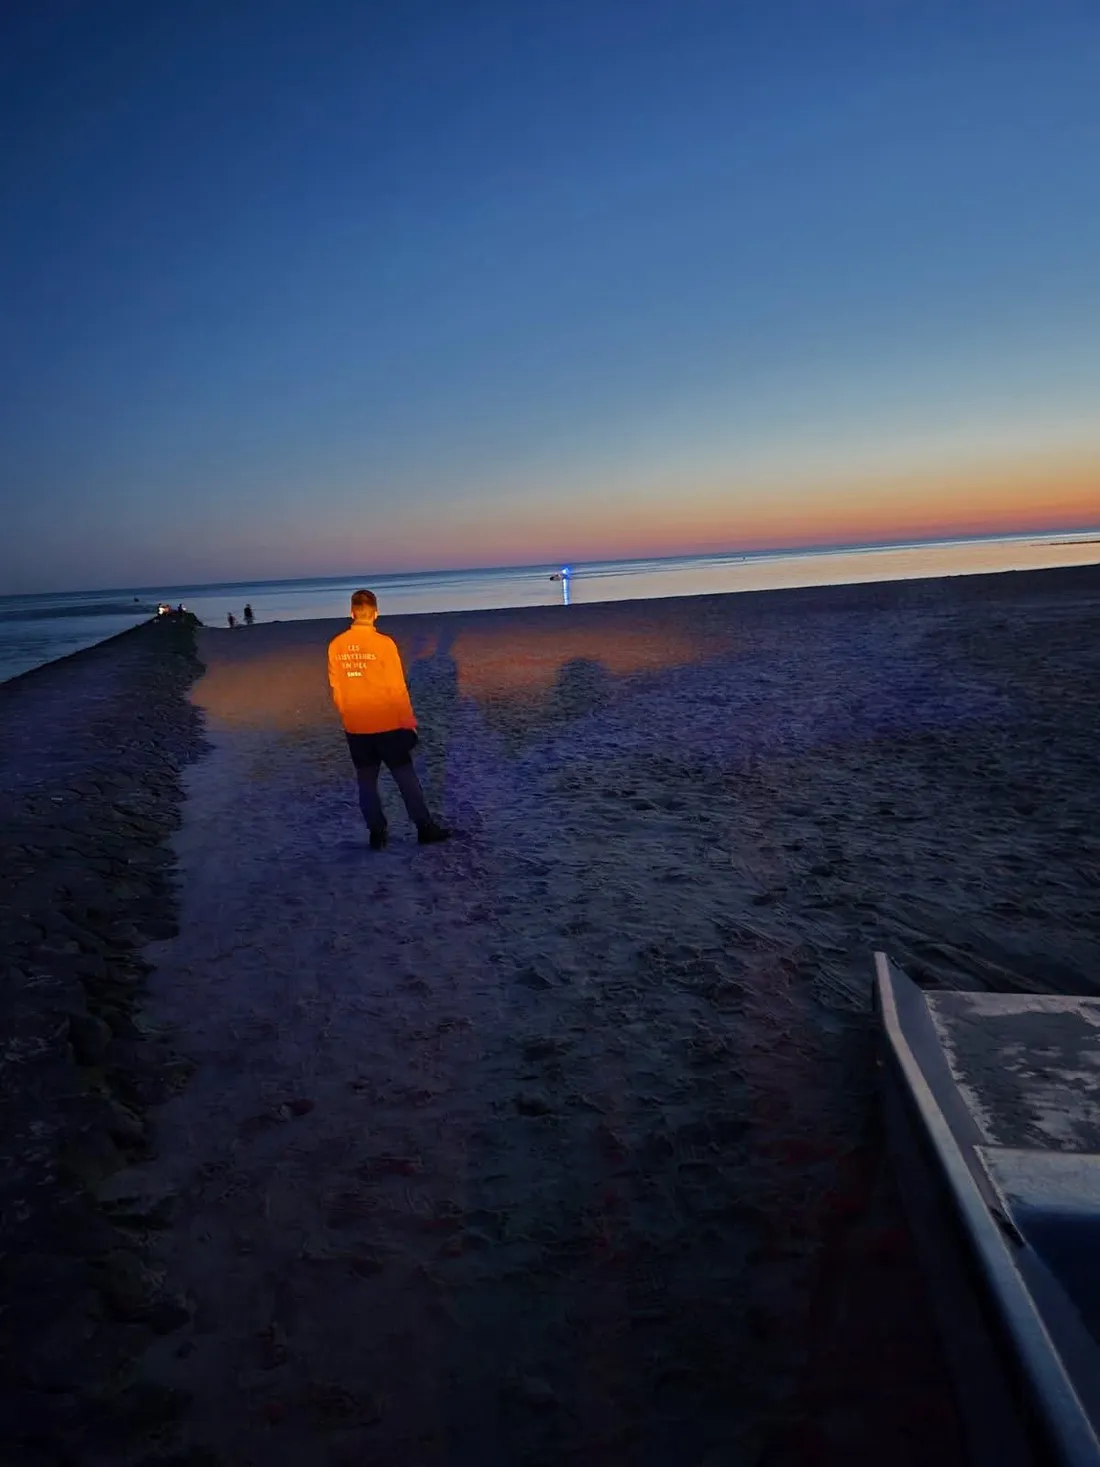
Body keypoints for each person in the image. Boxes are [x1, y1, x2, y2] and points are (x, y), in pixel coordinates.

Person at [327, 589, 450, 850]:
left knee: (367, 782)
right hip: (387, 724)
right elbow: (396, 688)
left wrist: (348, 714)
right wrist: (408, 722)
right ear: (375, 613)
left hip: (357, 726)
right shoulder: (384, 644)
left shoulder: (336, 645)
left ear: (351, 613)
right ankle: (424, 827)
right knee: (405, 778)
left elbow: (336, 688)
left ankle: (377, 833)